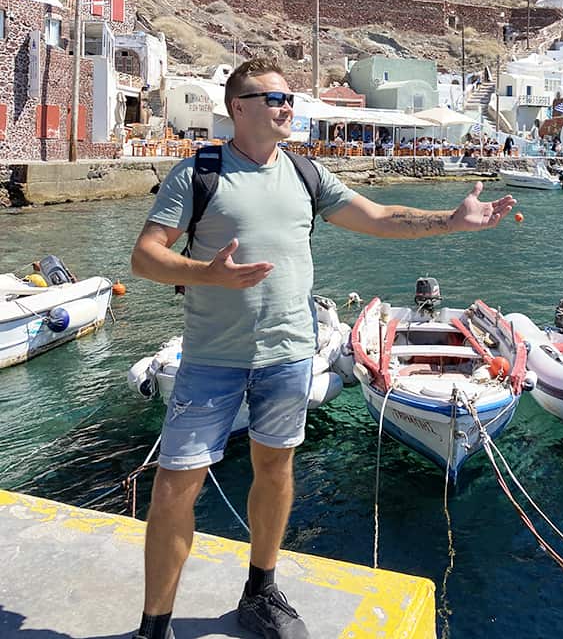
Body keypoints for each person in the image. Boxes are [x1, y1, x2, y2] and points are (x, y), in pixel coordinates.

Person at [129, 56, 516, 639]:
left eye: (291, 99)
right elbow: (145, 256)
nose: (289, 108)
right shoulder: (199, 174)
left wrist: (452, 221)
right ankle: (153, 626)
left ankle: (261, 590)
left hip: (289, 356)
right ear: (239, 108)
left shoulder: (306, 174)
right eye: (275, 100)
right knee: (173, 487)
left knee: (275, 468)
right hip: (212, 360)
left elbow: (380, 216)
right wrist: (208, 275)